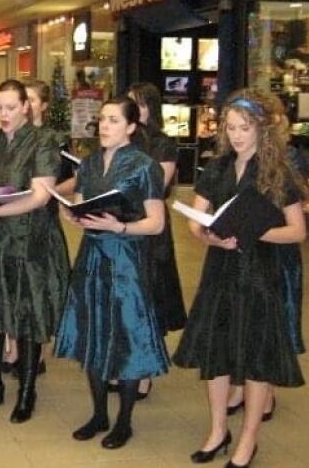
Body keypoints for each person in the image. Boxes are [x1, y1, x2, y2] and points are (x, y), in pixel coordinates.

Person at [173, 89, 306, 468]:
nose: (236, 135)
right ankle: (218, 429)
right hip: (220, 273)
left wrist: (255, 232)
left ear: (262, 128)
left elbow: (296, 231)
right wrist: (207, 234)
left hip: (261, 275)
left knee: (256, 359)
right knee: (218, 354)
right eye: (230, 128)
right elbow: (195, 218)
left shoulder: (277, 172)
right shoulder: (216, 167)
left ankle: (249, 439)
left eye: (244, 128)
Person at [55, 96, 168, 450]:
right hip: (91, 258)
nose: (105, 126)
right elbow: (79, 202)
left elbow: (156, 223)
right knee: (93, 333)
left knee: (127, 337)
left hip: (126, 260)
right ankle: (100, 413)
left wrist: (119, 227)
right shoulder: (88, 163)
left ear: (132, 127)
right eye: (103, 119)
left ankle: (124, 420)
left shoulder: (145, 166)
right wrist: (73, 215)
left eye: (114, 120)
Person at [0, 79, 69, 424]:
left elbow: (41, 195)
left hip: (28, 238)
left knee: (27, 312)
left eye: (11, 107)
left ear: (27, 106)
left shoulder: (45, 141)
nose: (4, 114)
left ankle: (26, 390)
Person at [127, 82, 187, 397]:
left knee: (149, 296)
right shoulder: (124, 138)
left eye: (138, 104)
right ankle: (127, 362)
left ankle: (146, 369)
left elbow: (158, 185)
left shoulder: (163, 143)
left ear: (151, 108)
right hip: (123, 224)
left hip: (150, 227)